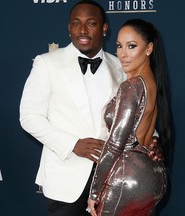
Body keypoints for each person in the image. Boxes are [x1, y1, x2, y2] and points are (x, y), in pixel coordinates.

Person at [19, 1, 162, 215]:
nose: (83, 30)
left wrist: (151, 139)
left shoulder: (121, 65)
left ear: (104, 28)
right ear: (69, 29)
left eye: (91, 23)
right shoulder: (47, 63)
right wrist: (73, 144)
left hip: (114, 181)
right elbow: (29, 117)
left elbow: (136, 108)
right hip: (66, 178)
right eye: (76, 24)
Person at [87, 19, 172, 216]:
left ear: (149, 48)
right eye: (119, 46)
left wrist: (94, 192)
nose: (122, 54)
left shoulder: (132, 85)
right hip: (153, 175)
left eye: (131, 46)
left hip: (127, 176)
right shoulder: (152, 82)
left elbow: (116, 143)